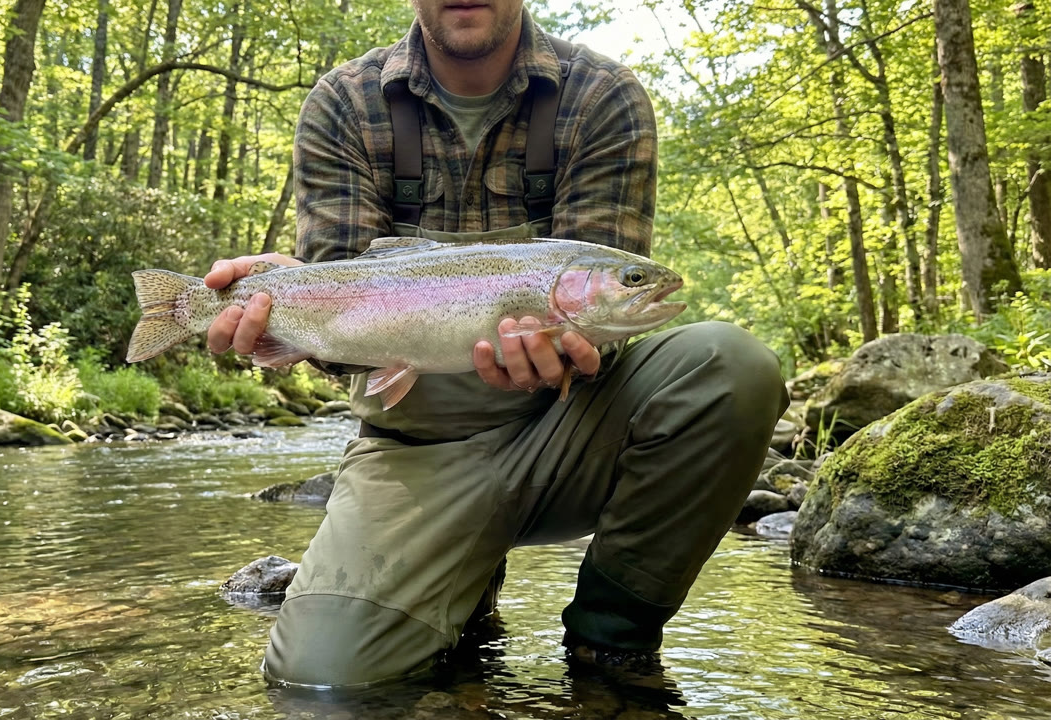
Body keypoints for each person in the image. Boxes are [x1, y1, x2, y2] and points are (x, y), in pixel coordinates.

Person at [202, 0, 790, 688]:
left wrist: (567, 343)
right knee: (321, 682)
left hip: (577, 427)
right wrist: (288, 312)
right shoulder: (345, 102)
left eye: (634, 282)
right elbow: (341, 293)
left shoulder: (601, 95)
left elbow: (611, 309)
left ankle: (610, 651)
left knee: (731, 367)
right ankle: (461, 588)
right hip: (416, 453)